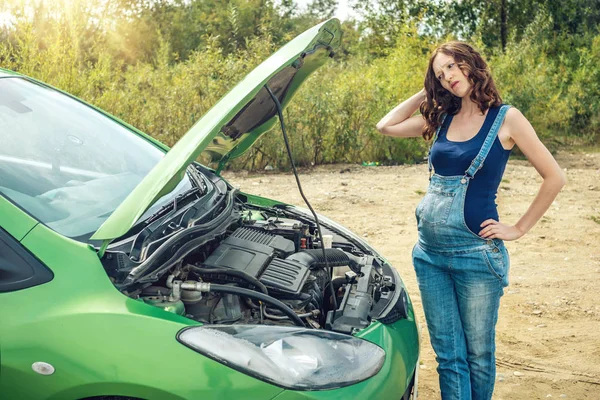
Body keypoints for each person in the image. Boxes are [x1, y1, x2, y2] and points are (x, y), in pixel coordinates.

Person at [376, 42, 566, 400]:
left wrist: (519, 228)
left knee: (478, 355)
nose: (447, 76)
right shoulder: (442, 117)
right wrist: (429, 89)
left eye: (451, 66)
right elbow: (386, 126)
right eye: (439, 73)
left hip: (476, 255)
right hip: (430, 256)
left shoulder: (506, 119)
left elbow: (554, 177)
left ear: (470, 64)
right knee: (448, 357)